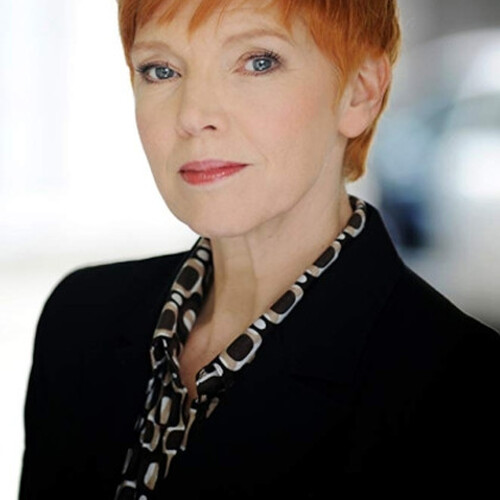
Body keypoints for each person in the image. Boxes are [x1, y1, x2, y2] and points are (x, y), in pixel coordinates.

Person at [19, 0, 500, 499]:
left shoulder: (460, 390)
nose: (193, 115)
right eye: (161, 70)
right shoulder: (79, 321)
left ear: (361, 91)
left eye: (258, 62)